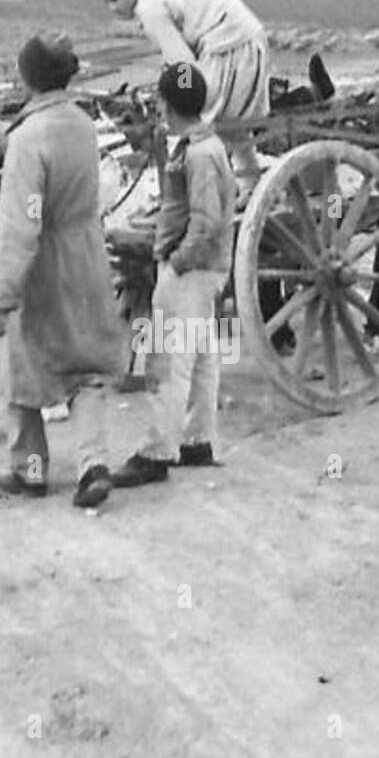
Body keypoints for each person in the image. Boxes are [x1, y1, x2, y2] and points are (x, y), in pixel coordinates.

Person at [0, 33, 125, 508]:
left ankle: (30, 470)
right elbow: (24, 137)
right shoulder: (79, 124)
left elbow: (21, 225)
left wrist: (1, 298)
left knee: (21, 366)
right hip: (86, 254)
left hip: (43, 266)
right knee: (88, 367)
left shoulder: (28, 141)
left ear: (25, 78)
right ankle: (93, 465)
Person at [111, 63, 237, 487]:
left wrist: (177, 261)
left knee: (167, 361)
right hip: (206, 271)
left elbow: (206, 222)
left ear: (167, 104)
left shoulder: (198, 154)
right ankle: (198, 441)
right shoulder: (207, 146)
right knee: (202, 358)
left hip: (189, 270)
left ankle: (157, 451)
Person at [95, 0, 269, 195]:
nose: (113, 8)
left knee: (205, 123)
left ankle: (207, 193)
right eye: (106, 3)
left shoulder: (150, 9)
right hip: (242, 36)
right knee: (232, 125)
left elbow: (183, 64)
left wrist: (182, 100)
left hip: (228, 43)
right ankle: (250, 187)